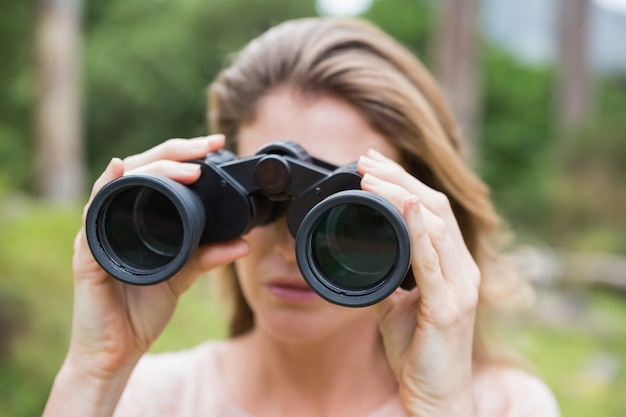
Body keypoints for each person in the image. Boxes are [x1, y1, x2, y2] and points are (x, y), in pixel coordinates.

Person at [43, 17, 560, 417]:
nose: (290, 248)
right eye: (261, 208)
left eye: (348, 217)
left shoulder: (503, 405)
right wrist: (96, 369)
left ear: (424, 225)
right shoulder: (146, 399)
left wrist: (437, 407)